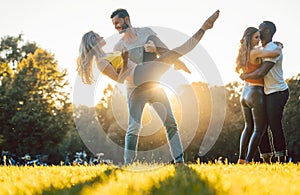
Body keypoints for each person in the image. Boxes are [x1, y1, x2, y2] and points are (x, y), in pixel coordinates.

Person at [77, 9, 219, 165]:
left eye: (117, 22)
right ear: (93, 41)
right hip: (137, 83)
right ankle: (204, 28)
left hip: (150, 80)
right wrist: (125, 61)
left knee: (169, 122)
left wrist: (154, 50)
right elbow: (120, 79)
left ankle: (178, 161)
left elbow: (161, 50)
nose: (106, 34)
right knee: (134, 128)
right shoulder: (104, 59)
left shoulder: (115, 50)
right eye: (99, 36)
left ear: (126, 19)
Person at [240, 21, 289, 163]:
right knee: (260, 125)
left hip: (277, 92)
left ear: (267, 31)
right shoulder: (263, 48)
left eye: (260, 27)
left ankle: (281, 158)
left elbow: (263, 71)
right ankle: (266, 158)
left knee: (274, 124)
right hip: (266, 92)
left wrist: (246, 76)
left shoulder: (272, 48)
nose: (258, 29)